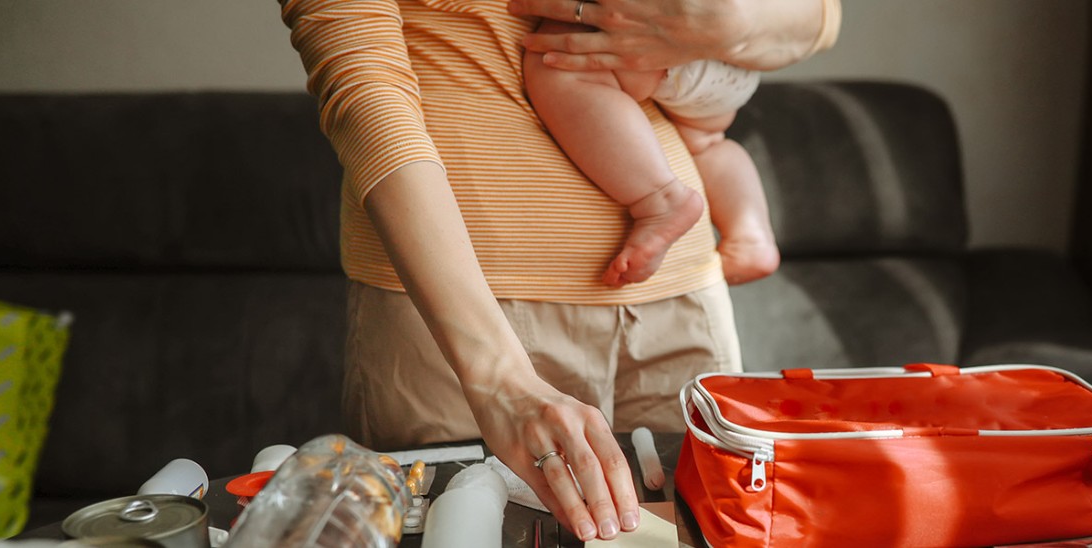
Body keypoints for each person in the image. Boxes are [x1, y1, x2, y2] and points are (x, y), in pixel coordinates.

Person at [278, 0, 840, 541]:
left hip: (681, 300)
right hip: (462, 321)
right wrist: (500, 379)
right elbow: (364, 94)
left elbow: (820, 16)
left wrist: (723, 19)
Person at [525, 14, 778, 287]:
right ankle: (749, 236)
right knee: (707, 141)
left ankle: (661, 198)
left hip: (661, 26)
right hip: (732, 58)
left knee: (559, 58)